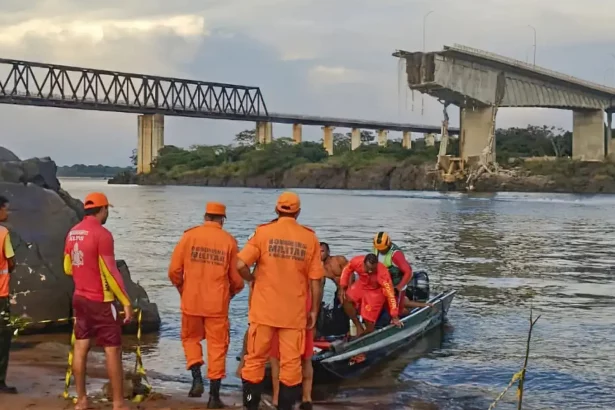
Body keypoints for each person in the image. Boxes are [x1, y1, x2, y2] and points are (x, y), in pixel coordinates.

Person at [237, 191, 324, 410]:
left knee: (254, 360)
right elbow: (316, 280)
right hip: (293, 314)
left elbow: (239, 265)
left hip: (263, 311)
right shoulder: (309, 238)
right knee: (291, 365)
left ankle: (250, 406)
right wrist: (313, 310)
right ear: (298, 212)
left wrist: (253, 278)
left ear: (276, 210)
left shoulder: (263, 232)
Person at [168, 202, 244, 408]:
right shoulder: (229, 241)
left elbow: (174, 271)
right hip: (217, 305)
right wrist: (231, 293)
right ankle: (214, 397)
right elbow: (237, 280)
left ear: (205, 216)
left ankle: (196, 379)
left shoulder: (189, 237)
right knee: (217, 347)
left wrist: (183, 289)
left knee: (190, 339)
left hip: (191, 301)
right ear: (222, 219)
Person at [63, 192, 133, 410]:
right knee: (112, 349)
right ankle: (119, 403)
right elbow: (111, 272)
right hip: (101, 300)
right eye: (107, 210)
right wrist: (126, 302)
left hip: (80, 297)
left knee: (81, 346)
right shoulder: (102, 234)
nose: (107, 213)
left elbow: (67, 267)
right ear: (102, 210)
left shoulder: (73, 232)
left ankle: (82, 400)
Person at [269, 287, 314, 410]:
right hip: (302, 303)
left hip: (279, 305)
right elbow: (316, 284)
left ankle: (277, 398)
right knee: (306, 356)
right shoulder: (307, 267)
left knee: (276, 358)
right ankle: (306, 398)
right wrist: (314, 310)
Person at [340, 254, 402, 337]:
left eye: (372, 269)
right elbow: (347, 269)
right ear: (364, 263)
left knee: (369, 320)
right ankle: (358, 325)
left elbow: (390, 294)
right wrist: (343, 286)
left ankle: (365, 335)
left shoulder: (383, 274)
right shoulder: (357, 261)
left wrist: (394, 316)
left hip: (375, 290)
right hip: (362, 284)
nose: (369, 271)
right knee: (346, 298)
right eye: (368, 268)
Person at [0, 196, 17, 395]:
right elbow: (11, 261)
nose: (8, 213)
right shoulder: (3, 233)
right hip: (1, 295)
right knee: (3, 338)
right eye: (5, 209)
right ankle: (0, 382)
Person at [372, 232, 413, 306]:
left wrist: (399, 287)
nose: (381, 251)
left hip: (395, 284)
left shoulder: (396, 254)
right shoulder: (376, 248)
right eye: (379, 249)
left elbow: (408, 272)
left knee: (396, 307)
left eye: (383, 249)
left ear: (388, 244)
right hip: (382, 283)